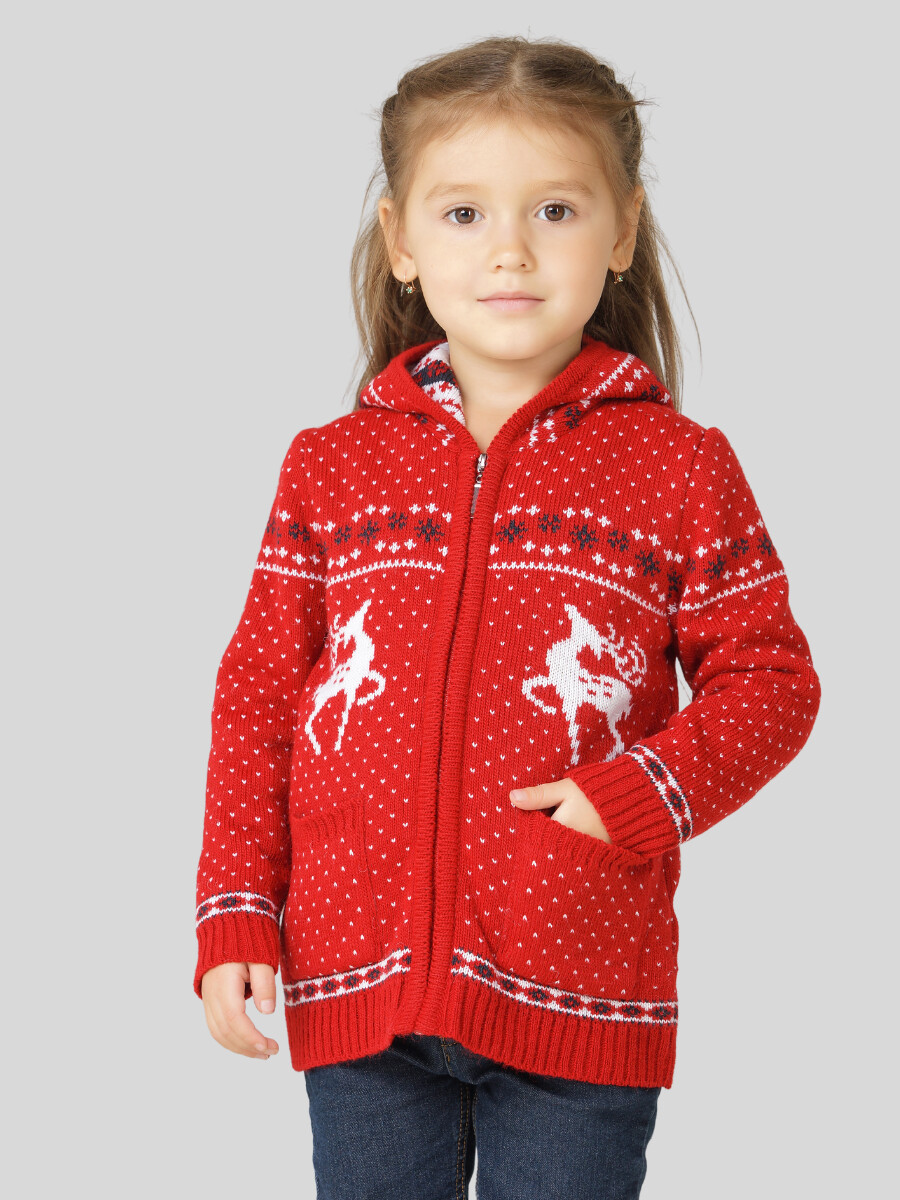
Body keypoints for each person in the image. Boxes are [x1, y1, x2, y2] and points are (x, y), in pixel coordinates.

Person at [193, 35, 821, 1199]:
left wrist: (637, 795)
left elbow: (771, 681)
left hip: (581, 984)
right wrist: (235, 915)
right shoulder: (330, 468)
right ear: (401, 241)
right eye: (465, 213)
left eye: (557, 210)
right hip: (359, 985)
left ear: (623, 231)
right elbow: (261, 696)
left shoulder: (680, 467)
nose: (512, 250)